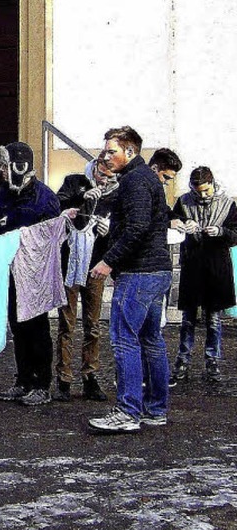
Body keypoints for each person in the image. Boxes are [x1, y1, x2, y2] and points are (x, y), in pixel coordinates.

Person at [88, 126, 174, 432]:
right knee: (151, 340)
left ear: (131, 151)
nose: (106, 157)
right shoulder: (143, 179)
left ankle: (127, 412)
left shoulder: (136, 181)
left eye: (112, 151)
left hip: (140, 273)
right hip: (156, 271)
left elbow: (137, 227)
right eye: (106, 151)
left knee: (125, 340)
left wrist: (108, 261)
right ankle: (155, 409)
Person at [0, 141, 61, 406]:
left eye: (4, 165)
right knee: (18, 328)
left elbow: (51, 241)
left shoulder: (45, 197)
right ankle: (23, 381)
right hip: (10, 273)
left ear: (18, 166)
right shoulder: (4, 195)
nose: (0, 171)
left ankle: (42, 384)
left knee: (37, 329)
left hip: (35, 276)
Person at [55, 153, 118, 402]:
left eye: (110, 176)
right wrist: (81, 198)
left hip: (96, 264)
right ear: (95, 167)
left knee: (93, 325)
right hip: (69, 262)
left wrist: (109, 232)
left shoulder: (116, 194)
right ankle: (63, 378)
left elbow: (121, 229)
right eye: (101, 174)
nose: (104, 180)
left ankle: (90, 377)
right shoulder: (74, 181)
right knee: (66, 324)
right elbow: (57, 207)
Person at [170, 166, 237, 385]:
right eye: (198, 191)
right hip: (192, 266)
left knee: (214, 319)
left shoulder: (228, 204)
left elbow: (235, 234)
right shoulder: (183, 201)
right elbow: (172, 223)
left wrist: (222, 232)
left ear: (213, 184)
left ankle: (212, 361)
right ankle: (182, 361)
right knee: (188, 319)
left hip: (217, 267)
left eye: (206, 191)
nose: (203, 195)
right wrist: (183, 225)